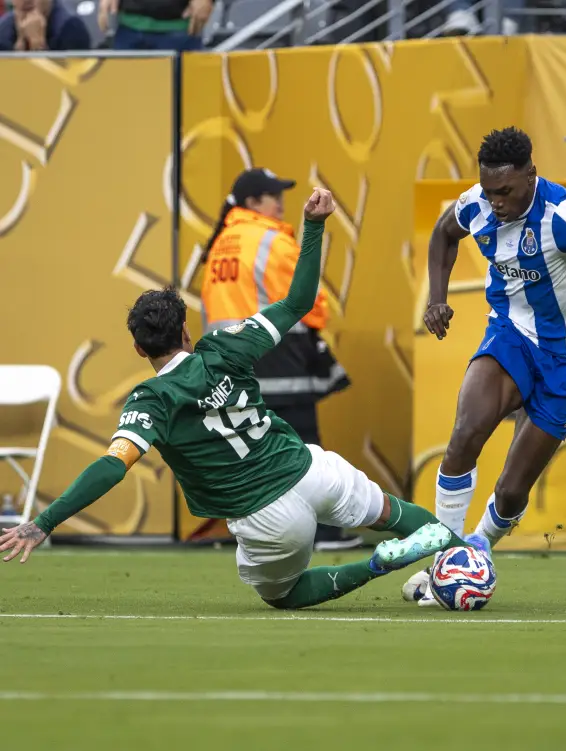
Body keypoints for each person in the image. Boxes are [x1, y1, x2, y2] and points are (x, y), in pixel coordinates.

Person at [0, 189, 473, 609]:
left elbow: (111, 466)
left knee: (284, 595)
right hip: (311, 470)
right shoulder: (226, 346)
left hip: (266, 516)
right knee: (395, 513)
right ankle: (469, 563)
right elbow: (298, 302)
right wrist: (313, 226)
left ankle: (377, 565)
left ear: (140, 350)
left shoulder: (151, 399)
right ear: (186, 332)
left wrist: (44, 522)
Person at [421, 127, 566, 554]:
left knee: (511, 491)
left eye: (505, 191)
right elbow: (443, 233)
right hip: (510, 333)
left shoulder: (565, 216)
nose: (495, 202)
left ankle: (479, 549)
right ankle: (445, 556)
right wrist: (437, 298)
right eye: (489, 190)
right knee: (465, 433)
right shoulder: (477, 203)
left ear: (531, 174)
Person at [199, 168, 357, 551]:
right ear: (253, 202)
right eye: (274, 196)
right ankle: (322, 534)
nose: (281, 203)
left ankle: (261, 535)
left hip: (231, 364)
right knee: (305, 450)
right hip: (279, 358)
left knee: (252, 452)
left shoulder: (219, 244)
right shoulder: (270, 239)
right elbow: (311, 302)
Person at [0, 0, 91, 50]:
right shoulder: (3, 28)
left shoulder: (71, 28)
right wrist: (20, 46)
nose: (27, 1)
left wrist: (38, 45)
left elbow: (69, 77)